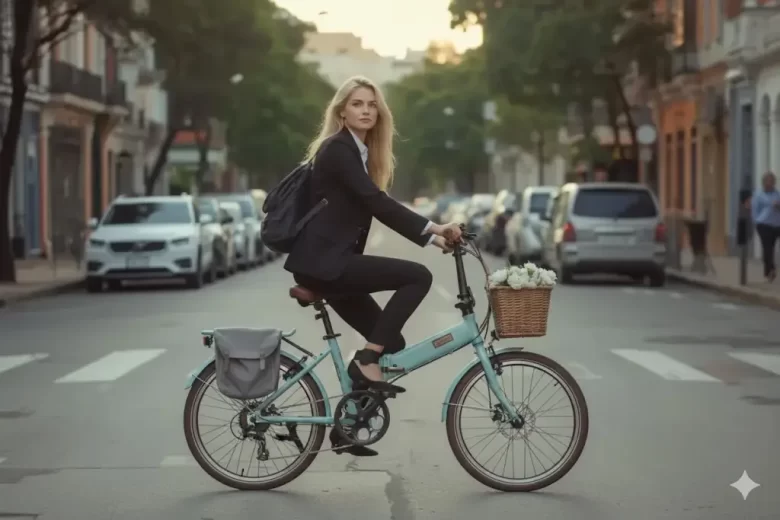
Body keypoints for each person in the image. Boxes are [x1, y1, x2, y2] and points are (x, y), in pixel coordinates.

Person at [283, 75, 462, 456]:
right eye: (357, 104)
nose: (366, 110)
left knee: (390, 342)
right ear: (342, 112)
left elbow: (374, 205)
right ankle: (364, 362)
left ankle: (346, 429)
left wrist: (435, 238)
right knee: (417, 276)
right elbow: (376, 203)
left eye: (372, 104)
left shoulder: (358, 153)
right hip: (324, 265)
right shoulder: (337, 150)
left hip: (330, 263)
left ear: (379, 113)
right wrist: (435, 230)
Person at [751, 171, 780, 281]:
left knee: (770, 248)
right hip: (763, 224)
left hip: (777, 225)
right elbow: (755, 210)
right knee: (768, 247)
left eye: (772, 181)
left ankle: (769, 269)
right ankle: (770, 270)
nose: (771, 183)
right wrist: (756, 222)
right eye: (769, 181)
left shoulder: (777, 194)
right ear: (764, 182)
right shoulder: (759, 195)